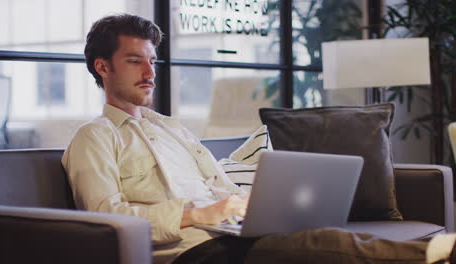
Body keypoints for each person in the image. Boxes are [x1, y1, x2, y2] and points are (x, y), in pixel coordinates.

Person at [62, 13, 454, 264]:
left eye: (153, 60)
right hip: (189, 251)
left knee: (320, 237)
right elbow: (105, 218)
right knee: (326, 248)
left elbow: (219, 185)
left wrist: (254, 207)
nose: (150, 70)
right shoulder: (94, 138)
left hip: (230, 234)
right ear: (103, 66)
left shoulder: (173, 129)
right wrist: (198, 214)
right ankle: (436, 253)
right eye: (135, 60)